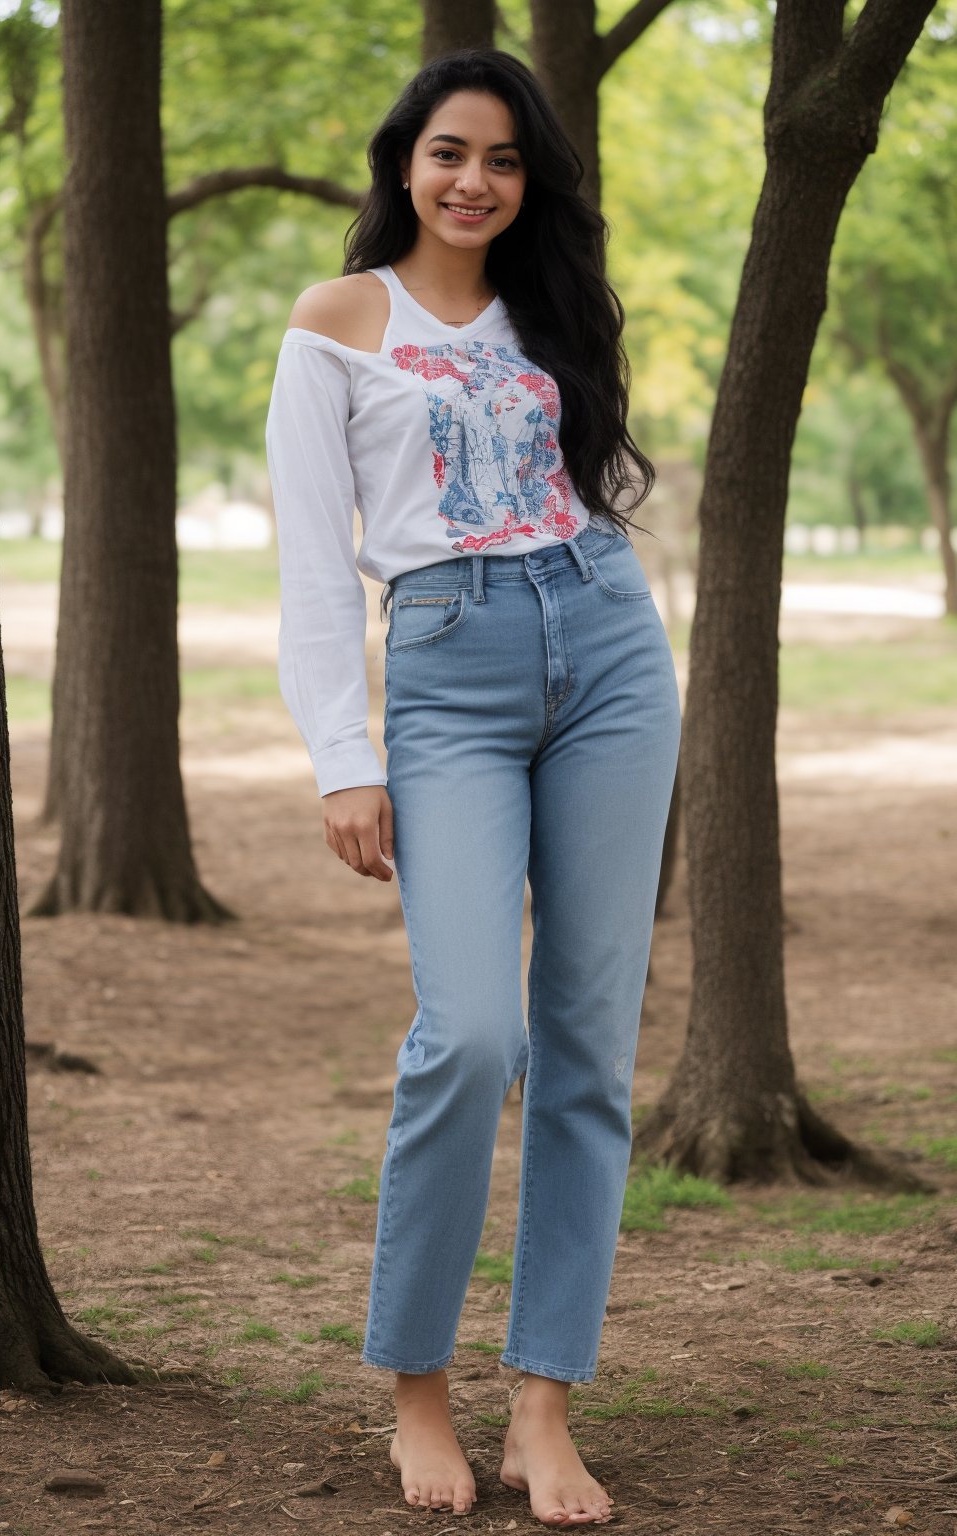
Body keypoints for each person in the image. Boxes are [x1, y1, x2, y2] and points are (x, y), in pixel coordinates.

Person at [265, 47, 681, 1529]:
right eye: (451, 152)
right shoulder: (337, 322)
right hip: (446, 662)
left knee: (585, 1041)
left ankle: (545, 1409)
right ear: (404, 162)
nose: (475, 182)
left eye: (504, 161)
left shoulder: (556, 308)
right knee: (471, 1033)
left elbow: (594, 492)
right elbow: (315, 567)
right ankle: (416, 1391)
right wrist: (344, 761)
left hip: (611, 642)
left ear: (530, 182)